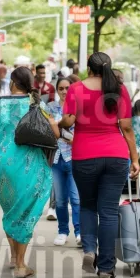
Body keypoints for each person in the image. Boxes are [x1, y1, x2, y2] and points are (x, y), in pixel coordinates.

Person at [59, 52, 140, 278]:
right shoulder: (119, 89)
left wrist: (60, 121)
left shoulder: (76, 89)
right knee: (109, 211)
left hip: (84, 154)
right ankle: (106, 267)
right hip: (115, 155)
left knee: (87, 206)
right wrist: (135, 158)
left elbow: (69, 120)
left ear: (88, 67)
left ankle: (88, 250)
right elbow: (127, 128)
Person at [0, 67, 60, 278]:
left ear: (13, 82)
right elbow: (55, 134)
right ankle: (21, 265)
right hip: (30, 165)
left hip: (2, 165)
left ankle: (14, 256)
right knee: (25, 212)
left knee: (10, 209)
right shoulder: (38, 105)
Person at [46, 78, 81, 247]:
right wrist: (65, 134)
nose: (64, 91)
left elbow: (80, 130)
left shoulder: (78, 107)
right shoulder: (50, 107)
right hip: (57, 158)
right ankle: (62, 231)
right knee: (60, 200)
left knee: (76, 198)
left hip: (75, 157)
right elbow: (49, 131)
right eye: (61, 88)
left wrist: (60, 130)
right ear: (57, 89)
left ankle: (80, 231)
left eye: (67, 88)